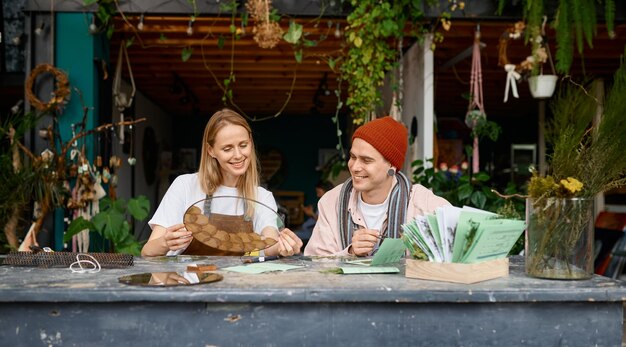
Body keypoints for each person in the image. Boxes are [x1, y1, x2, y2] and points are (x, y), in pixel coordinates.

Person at [142, 108, 303, 257]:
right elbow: (147, 251)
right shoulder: (185, 186)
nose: (238, 155)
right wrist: (165, 243)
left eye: (243, 145)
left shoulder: (262, 196)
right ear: (211, 150)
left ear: (251, 142)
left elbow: (269, 242)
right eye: (227, 149)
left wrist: (283, 246)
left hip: (240, 284)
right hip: (191, 285)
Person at [304, 116, 450, 256]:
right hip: (344, 283)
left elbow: (457, 247)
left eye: (366, 160)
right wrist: (350, 253)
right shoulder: (331, 201)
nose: (354, 167)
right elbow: (316, 263)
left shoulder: (423, 204)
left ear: (392, 165)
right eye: (353, 157)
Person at [294, 180, 334, 246]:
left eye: (319, 192)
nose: (317, 195)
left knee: (292, 236)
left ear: (327, 191)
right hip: (309, 230)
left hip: (317, 234)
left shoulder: (331, 203)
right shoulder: (322, 202)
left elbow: (324, 220)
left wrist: (311, 213)